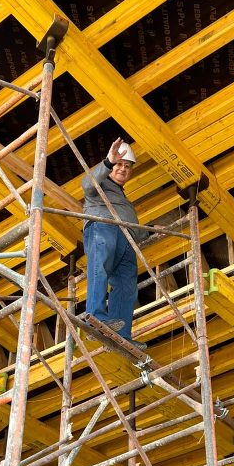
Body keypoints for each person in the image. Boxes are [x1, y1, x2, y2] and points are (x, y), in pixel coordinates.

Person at [81, 137, 149, 343]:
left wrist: (152, 230)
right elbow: (87, 185)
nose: (123, 169)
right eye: (119, 164)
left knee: (126, 286)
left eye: (127, 166)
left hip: (126, 239)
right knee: (99, 268)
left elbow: (132, 225)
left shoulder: (123, 199)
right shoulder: (99, 185)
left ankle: (121, 334)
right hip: (104, 227)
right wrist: (108, 161)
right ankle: (96, 317)